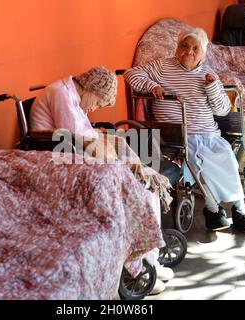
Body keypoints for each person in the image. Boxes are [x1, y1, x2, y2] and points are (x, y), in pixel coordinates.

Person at [30, 66, 174, 294]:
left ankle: (150, 260)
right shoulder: (60, 94)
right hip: (63, 164)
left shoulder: (72, 95)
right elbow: (75, 140)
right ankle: (138, 269)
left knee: (147, 186)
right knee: (136, 193)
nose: (95, 108)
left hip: (75, 156)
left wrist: (109, 144)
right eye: (98, 102)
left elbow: (83, 135)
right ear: (92, 88)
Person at [124, 28, 245, 234]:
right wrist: (151, 86)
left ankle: (239, 208)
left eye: (195, 48)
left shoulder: (208, 74)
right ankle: (213, 209)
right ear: (177, 48)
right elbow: (131, 73)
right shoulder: (162, 66)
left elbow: (222, 109)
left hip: (206, 133)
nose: (189, 51)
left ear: (203, 53)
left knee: (224, 158)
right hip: (173, 134)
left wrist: (213, 88)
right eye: (184, 46)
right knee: (194, 159)